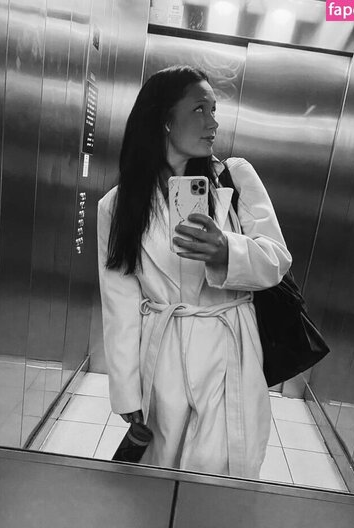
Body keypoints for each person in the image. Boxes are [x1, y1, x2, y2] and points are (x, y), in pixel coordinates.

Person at [97, 65, 292, 479]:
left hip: (230, 348)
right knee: (162, 467)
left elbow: (276, 259)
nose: (213, 123)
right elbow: (120, 302)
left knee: (220, 470)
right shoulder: (117, 206)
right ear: (164, 120)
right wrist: (126, 390)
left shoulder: (235, 178)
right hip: (163, 354)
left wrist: (227, 251)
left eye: (214, 110)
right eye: (200, 109)